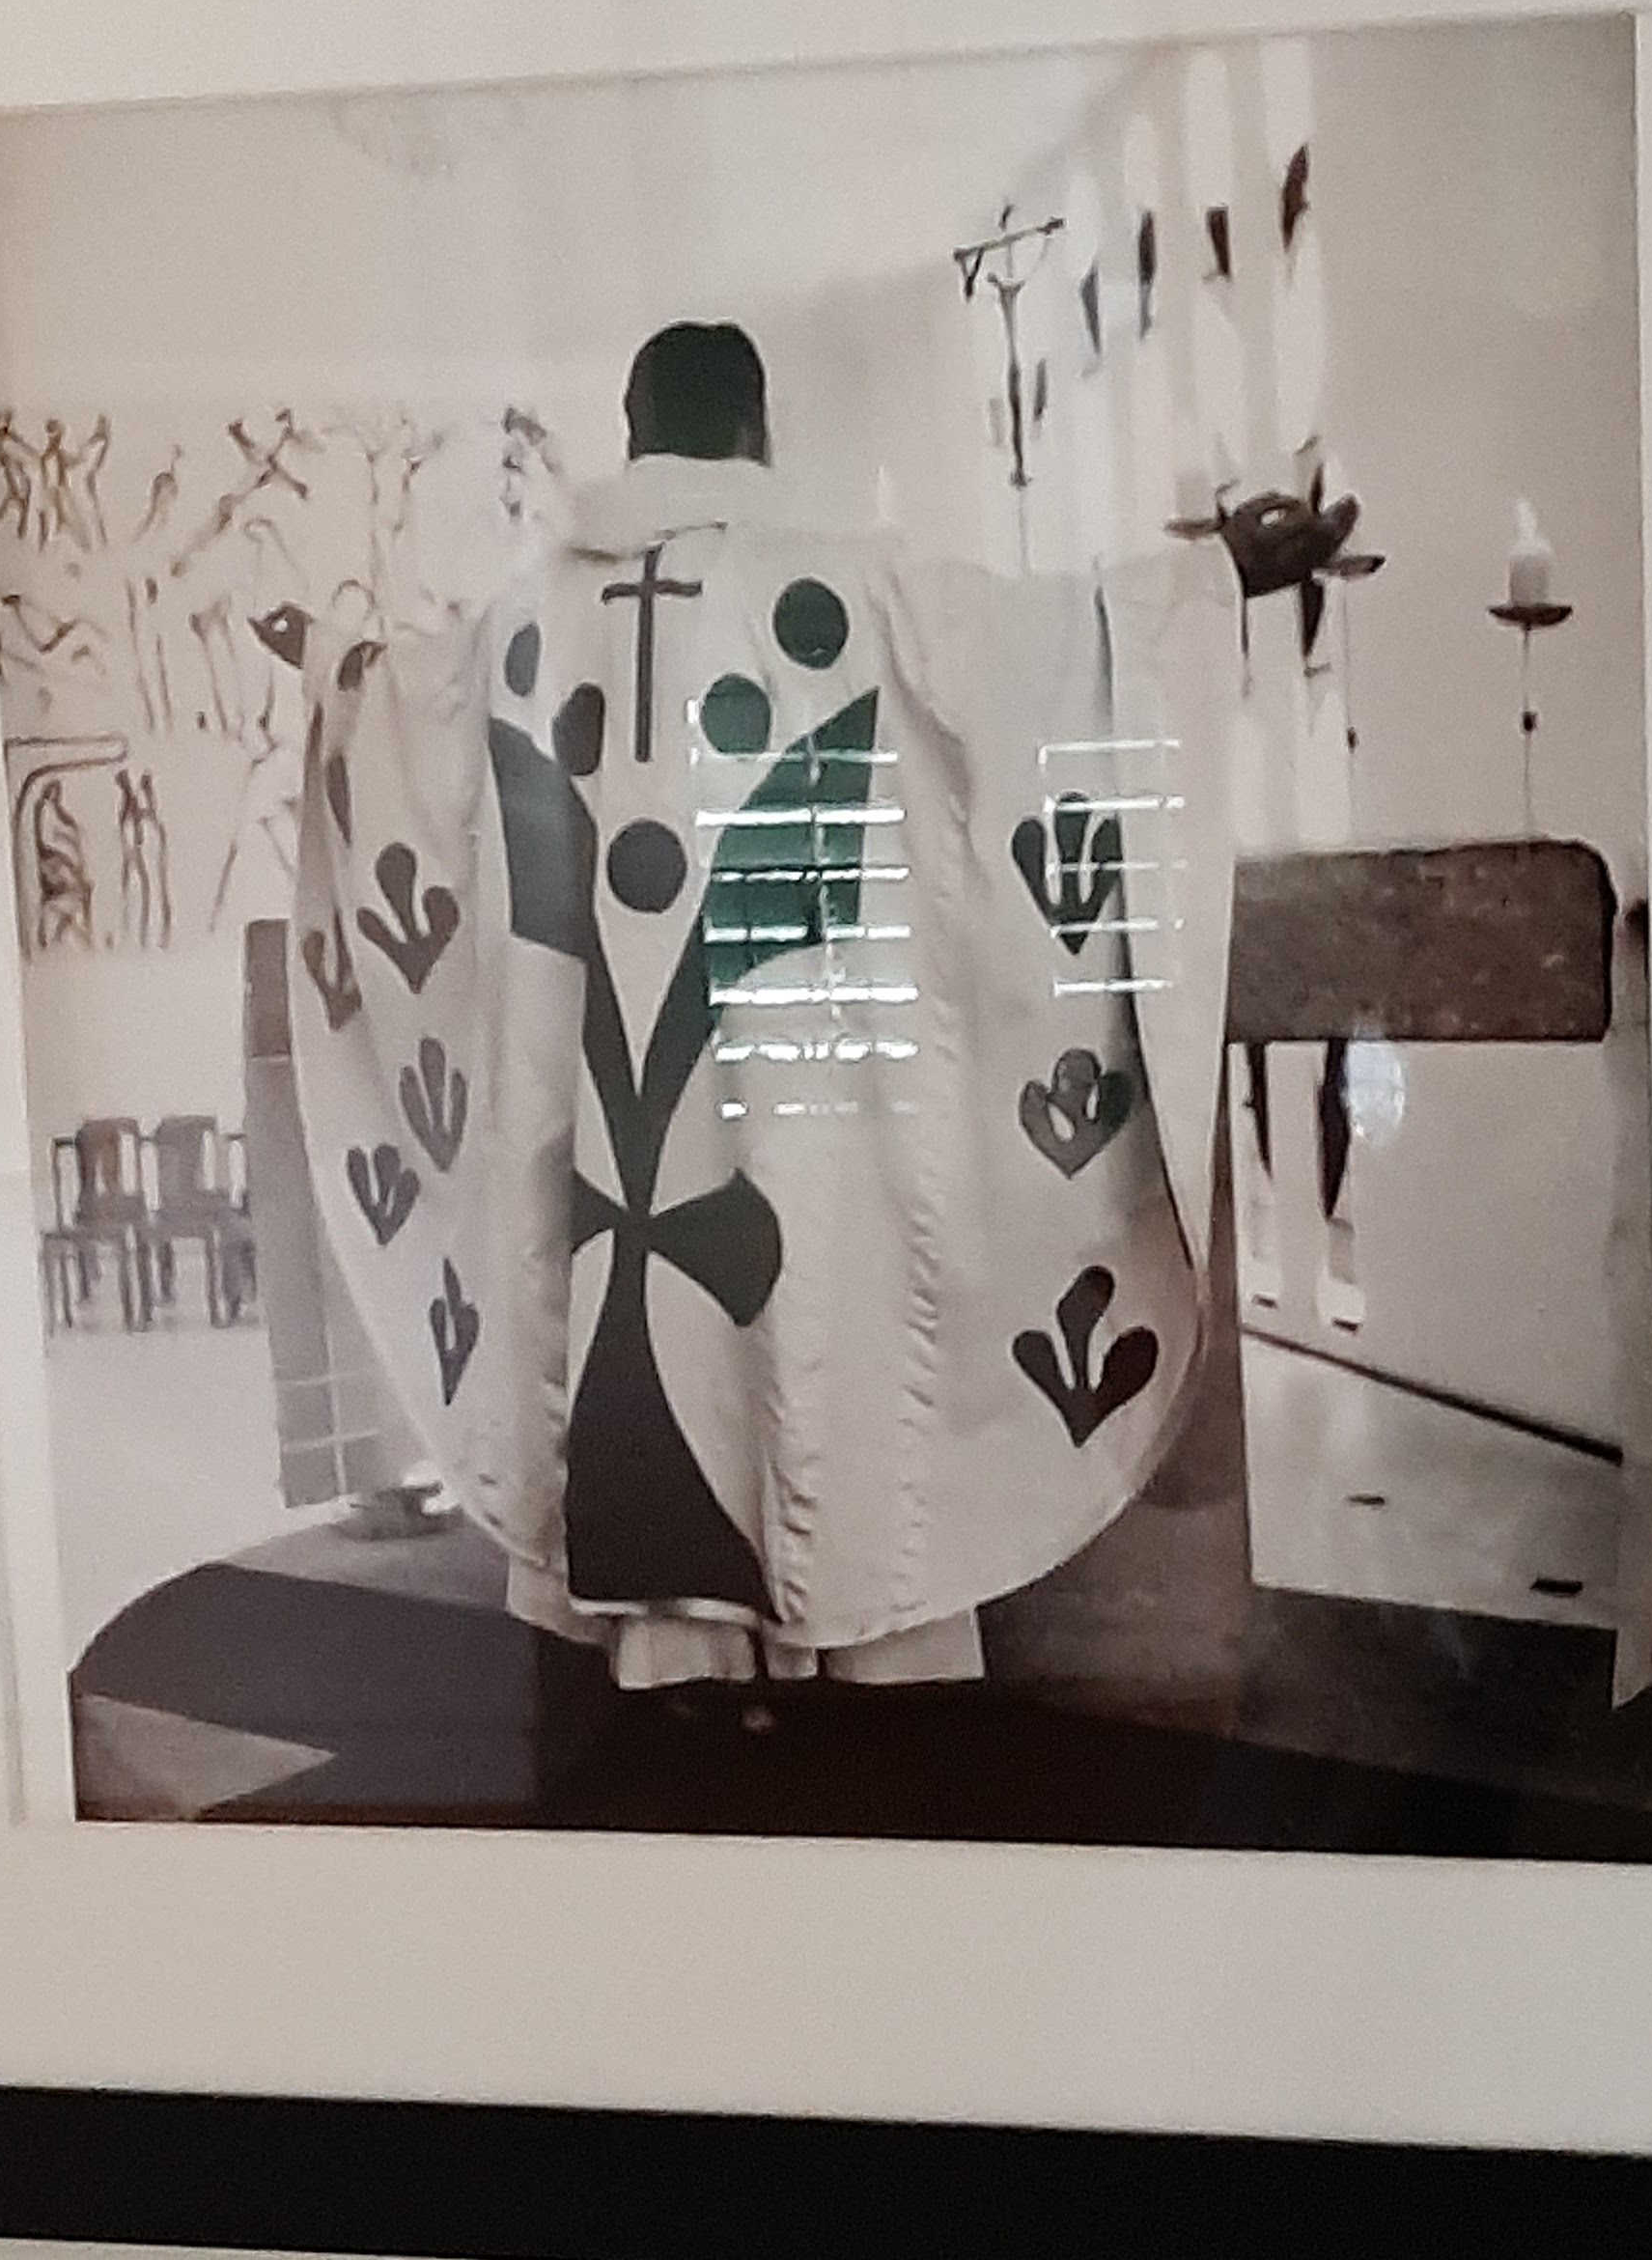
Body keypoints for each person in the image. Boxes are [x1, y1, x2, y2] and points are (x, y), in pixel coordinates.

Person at [289, 321, 1237, 1689]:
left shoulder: (530, 617)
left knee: (628, 1267)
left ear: (633, 433)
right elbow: (1057, 651)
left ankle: (672, 1658)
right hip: (811, 1101)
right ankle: (850, 1639)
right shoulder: (855, 591)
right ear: (758, 431)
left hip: (604, 1125)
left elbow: (405, 710)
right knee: (823, 1285)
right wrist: (1212, 578)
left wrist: (330, 666)